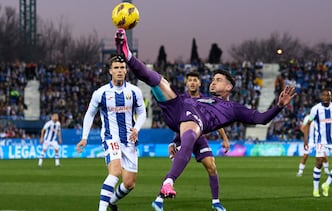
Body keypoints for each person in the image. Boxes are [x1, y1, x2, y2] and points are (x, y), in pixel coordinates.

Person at [114, 28, 296, 210]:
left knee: (205, 155)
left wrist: (278, 106)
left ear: (229, 86)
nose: (213, 82)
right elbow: (183, 119)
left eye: (218, 79)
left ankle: (171, 183)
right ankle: (127, 54)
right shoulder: (198, 98)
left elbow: (261, 118)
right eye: (213, 79)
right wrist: (175, 141)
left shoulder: (233, 108)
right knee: (157, 81)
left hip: (194, 122)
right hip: (177, 107)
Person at [75, 55, 146, 211]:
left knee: (129, 183)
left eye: (122, 68)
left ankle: (112, 202)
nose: (119, 71)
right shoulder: (101, 93)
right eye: (116, 68)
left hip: (129, 140)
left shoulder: (135, 91)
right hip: (110, 138)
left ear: (126, 71)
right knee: (115, 171)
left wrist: (137, 128)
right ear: (110, 71)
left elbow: (142, 113)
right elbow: (89, 114)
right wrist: (84, 138)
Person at [152, 72, 230, 211]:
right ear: (186, 83)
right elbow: (175, 122)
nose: (193, 83)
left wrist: (225, 139)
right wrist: (173, 142)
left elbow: (217, 121)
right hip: (182, 137)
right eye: (190, 80)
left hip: (199, 139)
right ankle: (158, 199)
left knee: (211, 166)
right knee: (176, 168)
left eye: (195, 80)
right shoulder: (180, 100)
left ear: (200, 83)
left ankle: (216, 202)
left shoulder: (206, 100)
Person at [303, 89, 332, 198]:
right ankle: (315, 189)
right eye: (325, 95)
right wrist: (306, 139)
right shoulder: (315, 109)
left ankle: (326, 184)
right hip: (320, 141)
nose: (327, 97)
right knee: (319, 162)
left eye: (329, 95)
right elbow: (308, 124)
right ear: (321, 97)